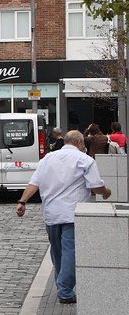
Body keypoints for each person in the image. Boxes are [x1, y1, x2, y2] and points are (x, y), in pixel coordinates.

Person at [16, 130, 111, 304]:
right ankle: (65, 290)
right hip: (72, 213)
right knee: (71, 251)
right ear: (80, 144)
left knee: (57, 251)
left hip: (51, 213)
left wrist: (22, 202)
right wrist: (106, 192)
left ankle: (62, 285)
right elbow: (96, 187)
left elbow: (34, 183)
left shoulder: (47, 159)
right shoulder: (85, 160)